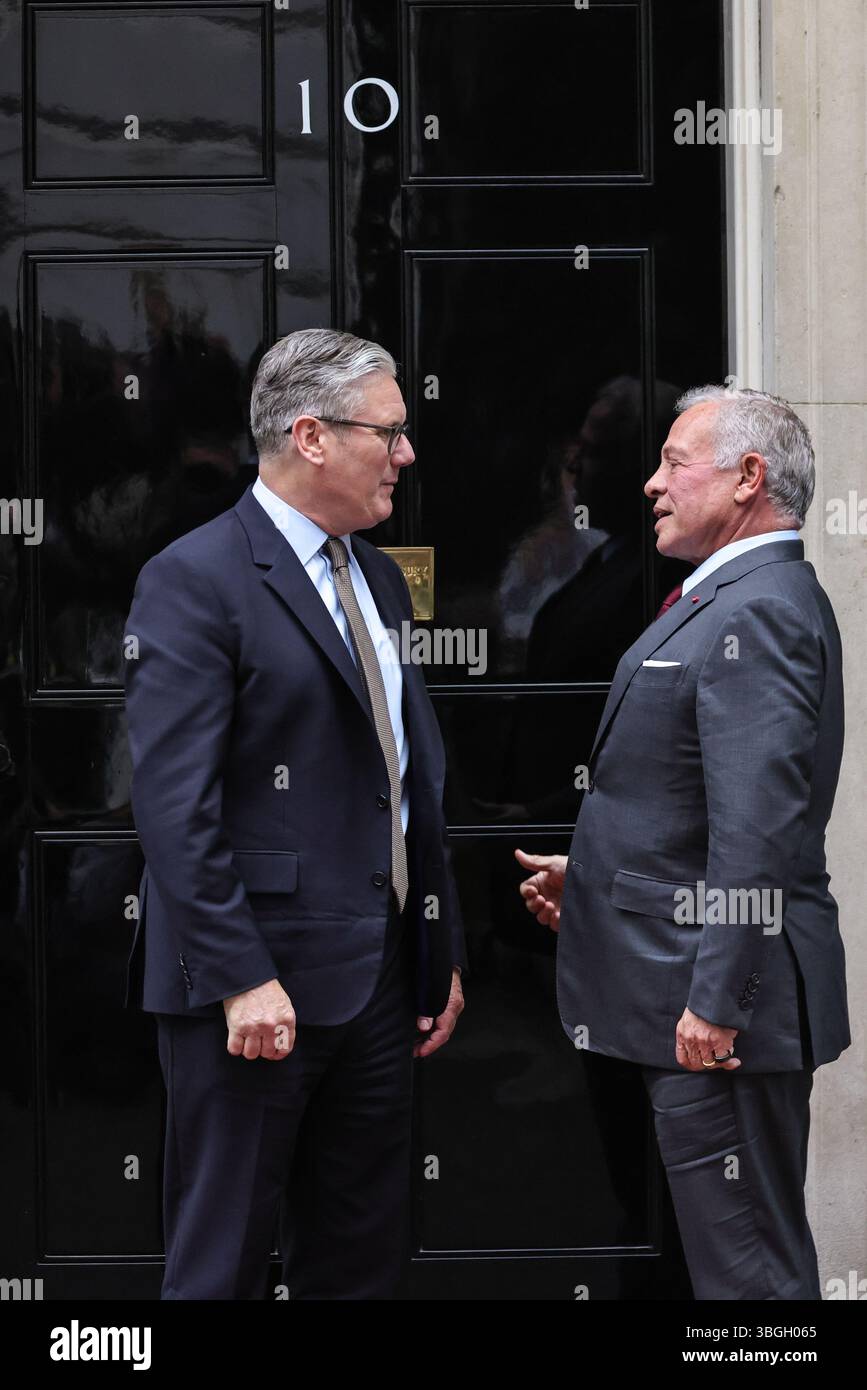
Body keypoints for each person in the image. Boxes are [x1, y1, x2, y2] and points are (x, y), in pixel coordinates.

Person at [124, 328, 466, 1299]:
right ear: (311, 436)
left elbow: (406, 776)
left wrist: (436, 952)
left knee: (359, 1259)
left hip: (380, 984)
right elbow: (173, 805)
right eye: (388, 432)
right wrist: (240, 978)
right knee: (221, 1259)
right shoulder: (196, 579)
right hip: (252, 991)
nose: (405, 453)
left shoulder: (384, 578)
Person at [516, 386, 849, 1300]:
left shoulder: (757, 610)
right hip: (685, 999)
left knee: (748, 1278)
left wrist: (719, 1005)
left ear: (748, 478)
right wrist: (589, 876)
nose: (652, 485)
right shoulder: (736, 596)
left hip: (710, 1017)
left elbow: (757, 834)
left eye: (674, 462)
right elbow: (693, 808)